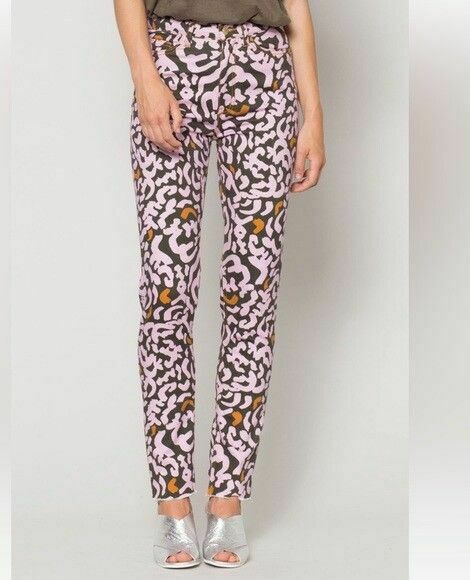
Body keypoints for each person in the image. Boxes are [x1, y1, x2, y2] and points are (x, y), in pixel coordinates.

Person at [114, 0, 325, 568]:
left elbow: (295, 5)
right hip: (173, 65)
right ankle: (172, 505)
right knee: (166, 291)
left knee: (253, 295)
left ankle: (228, 505)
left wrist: (313, 114)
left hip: (264, 80)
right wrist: (145, 77)